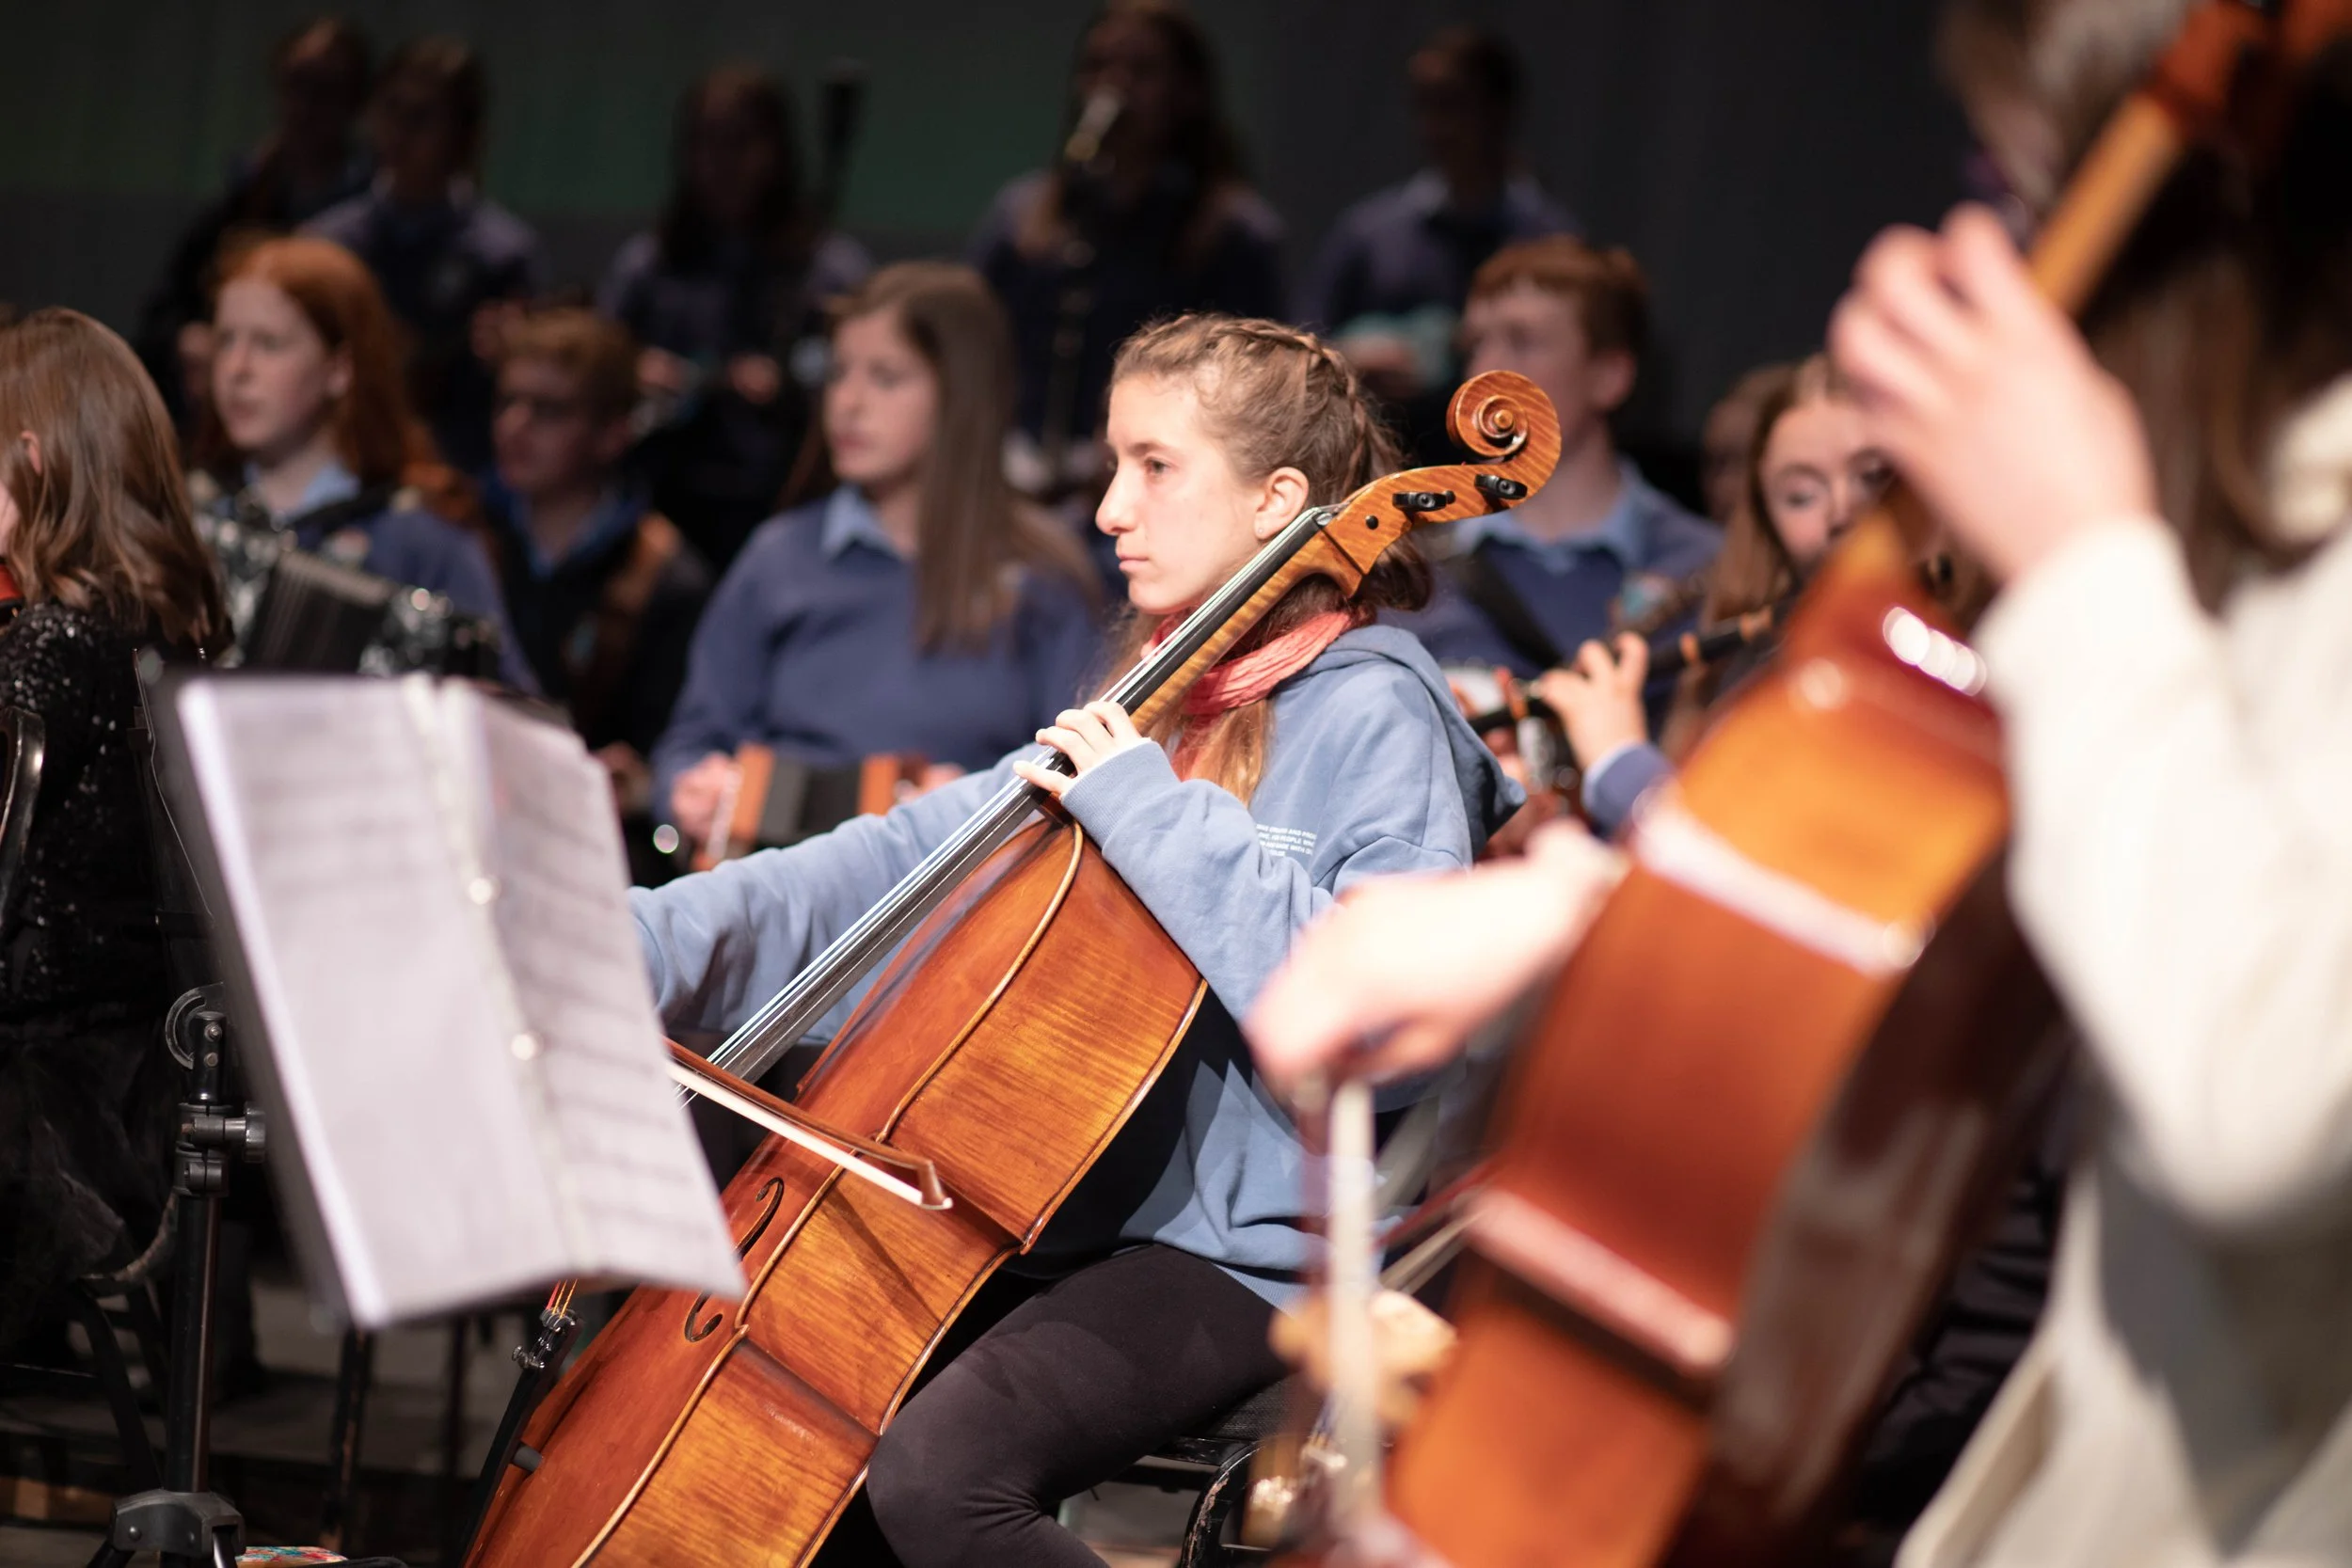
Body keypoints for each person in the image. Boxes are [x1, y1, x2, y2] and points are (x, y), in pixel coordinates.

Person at [1258, 0, 2352, 1563]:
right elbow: (2091, 903)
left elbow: (2258, 1100)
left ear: (2211, 222)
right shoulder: (2232, 531)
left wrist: (2085, 555)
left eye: (2031, 188)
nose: (2007, 259)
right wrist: (1601, 909)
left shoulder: (2205, 556)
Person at [632, 310, 1518, 1567]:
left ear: (1277, 502)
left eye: (1154, 466)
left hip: (1253, 1253)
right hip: (1072, 1204)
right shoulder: (1161, 691)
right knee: (801, 1396)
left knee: (941, 1474)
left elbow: (1386, 1021)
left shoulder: (1376, 712)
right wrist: (629, 940)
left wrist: (1148, 808)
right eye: (1113, 464)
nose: (1110, 508)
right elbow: (898, 863)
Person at [652, 262, 1101, 845]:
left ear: (961, 396)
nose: (847, 402)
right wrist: (691, 787)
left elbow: (1087, 777)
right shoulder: (779, 556)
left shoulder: (1045, 578)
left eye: (886, 378)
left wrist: (989, 804)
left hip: (963, 881)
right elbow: (690, 743)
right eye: (838, 373)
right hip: (776, 869)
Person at [0, 310, 232, 1354]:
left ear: (33, 459)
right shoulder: (167, 627)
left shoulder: (51, 643)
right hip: (130, 1083)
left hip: (46, 1107)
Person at [1543, 354, 1891, 835]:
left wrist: (1618, 761)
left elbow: (1746, 860)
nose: (1842, 513)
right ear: (1769, 527)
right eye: (1801, 496)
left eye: (1874, 476)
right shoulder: (1757, 666)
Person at [1387, 236, 1721, 724]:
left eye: (1523, 341)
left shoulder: (1704, 566)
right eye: (1474, 346)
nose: (1482, 371)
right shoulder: (1411, 570)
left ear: (1609, 376)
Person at [969, 0, 1284, 499]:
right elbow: (971, 338)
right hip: (1017, 477)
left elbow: (1256, 380)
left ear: (1186, 92)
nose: (1113, 87)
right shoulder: (1026, 214)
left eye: (1141, 71)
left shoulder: (1231, 230)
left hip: (1155, 482)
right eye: (1097, 67)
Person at [190, 234, 531, 689]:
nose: (237, 369)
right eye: (225, 341)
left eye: (269, 344)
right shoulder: (188, 515)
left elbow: (506, 702)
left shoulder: (422, 537)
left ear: (339, 369)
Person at [598, 66, 875, 570]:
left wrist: (790, 386)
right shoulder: (652, 262)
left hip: (781, 502)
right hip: (661, 501)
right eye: (704, 143)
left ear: (776, 150)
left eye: (739, 143)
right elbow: (595, 359)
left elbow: (862, 384)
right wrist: (631, 368)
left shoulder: (826, 270)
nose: (719, 164)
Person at [485, 309, 711, 877]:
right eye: (507, 402)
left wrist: (636, 780)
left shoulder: (662, 575)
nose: (515, 425)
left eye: (549, 410)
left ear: (612, 434)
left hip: (586, 850)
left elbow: (667, 757)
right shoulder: (469, 537)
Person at [1298, 26, 1578, 448]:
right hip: (1382, 451)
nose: (1437, 127)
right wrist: (1352, 359)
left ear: (1499, 110)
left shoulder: (1550, 244)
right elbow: (1302, 342)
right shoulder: (1371, 231)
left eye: (1455, 104)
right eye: (1425, 105)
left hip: (1505, 456)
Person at [306, 36, 546, 475]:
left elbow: (523, 385)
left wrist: (513, 356)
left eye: (422, 117)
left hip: (456, 467)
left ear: (463, 134)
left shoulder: (502, 252)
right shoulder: (326, 242)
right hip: (341, 459)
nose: (400, 132)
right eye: (391, 109)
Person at [135, 17, 374, 434]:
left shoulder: (371, 218)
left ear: (355, 100)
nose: (307, 105)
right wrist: (187, 339)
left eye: (326, 88)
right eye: (296, 84)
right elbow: (164, 313)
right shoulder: (241, 204)